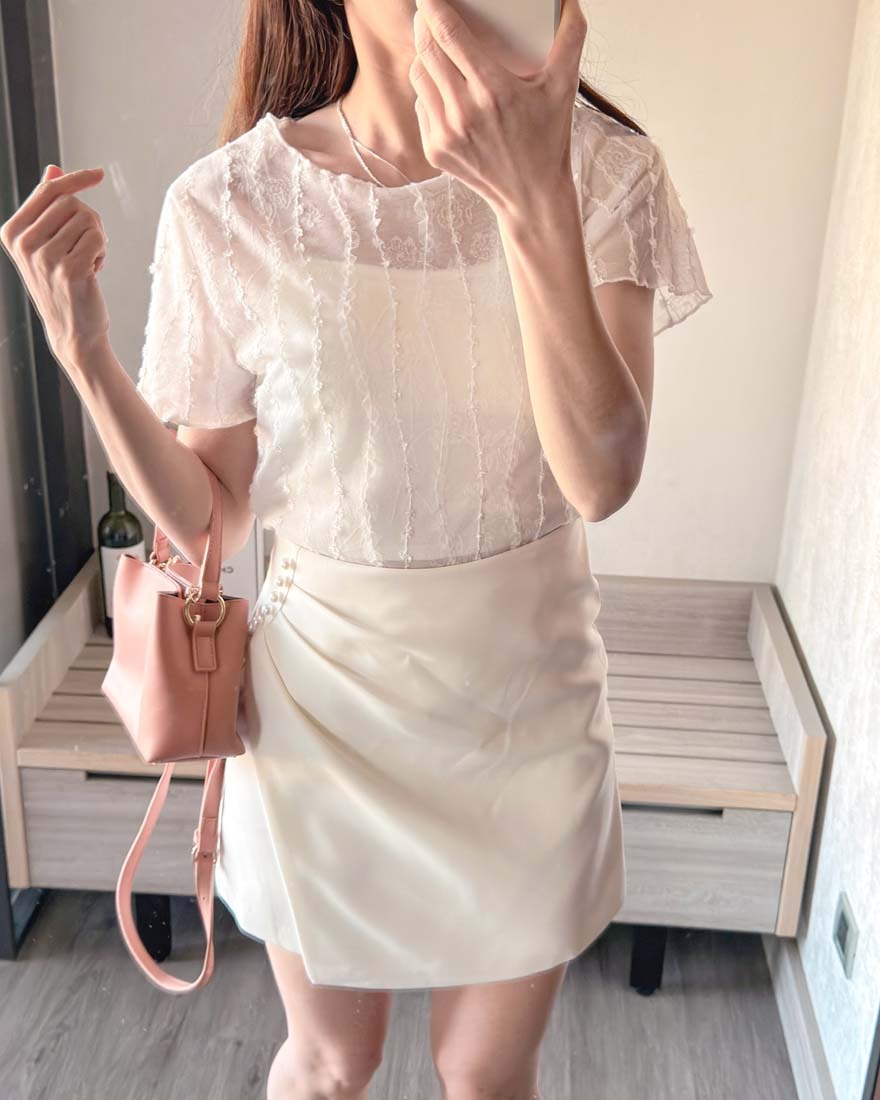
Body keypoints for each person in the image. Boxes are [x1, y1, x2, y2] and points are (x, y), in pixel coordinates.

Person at [0, 0, 712, 1096]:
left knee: (486, 1075)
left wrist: (534, 196)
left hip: (530, 707)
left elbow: (601, 477)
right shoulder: (230, 203)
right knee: (333, 1064)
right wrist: (86, 357)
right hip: (322, 714)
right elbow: (215, 516)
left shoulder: (607, 172)